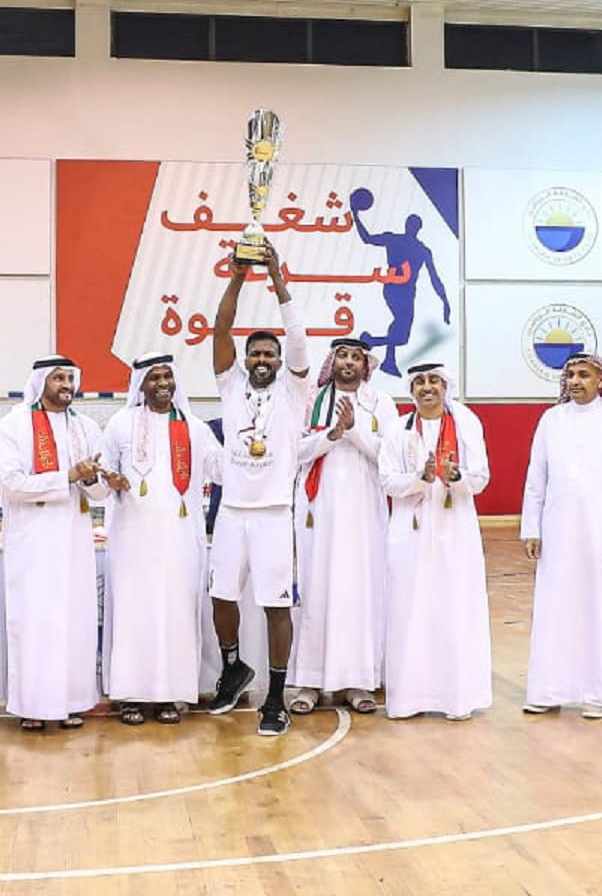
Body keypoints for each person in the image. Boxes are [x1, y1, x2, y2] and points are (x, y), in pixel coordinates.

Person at [206, 245, 312, 737]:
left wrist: (275, 274)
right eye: (257, 353)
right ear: (247, 359)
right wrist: (239, 277)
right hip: (231, 511)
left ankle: (276, 695)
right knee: (220, 597)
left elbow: (296, 337)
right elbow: (220, 330)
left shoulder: (294, 391)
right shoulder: (230, 385)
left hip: (274, 513)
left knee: (275, 606)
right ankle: (233, 667)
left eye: (270, 354)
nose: (264, 358)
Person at [98, 354, 220, 725]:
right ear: (140, 385)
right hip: (132, 538)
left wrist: (251, 447)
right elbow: (101, 477)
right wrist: (110, 481)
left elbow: (221, 469)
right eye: (154, 377)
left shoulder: (195, 428)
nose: (162, 383)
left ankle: (170, 694)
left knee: (176, 610)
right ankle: (130, 695)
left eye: (168, 375)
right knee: (135, 613)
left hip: (180, 539)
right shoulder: (120, 424)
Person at [520, 353, 602, 720]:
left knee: (600, 608)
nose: (575, 381)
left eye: (583, 375)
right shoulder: (551, 419)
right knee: (554, 607)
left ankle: (598, 693)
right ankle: (548, 690)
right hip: (557, 529)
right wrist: (531, 527)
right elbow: (536, 478)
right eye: (570, 375)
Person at [0, 355, 109, 731]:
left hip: (75, 539)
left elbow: (100, 493)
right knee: (37, 621)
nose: (66, 385)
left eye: (70, 378)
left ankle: (73, 700)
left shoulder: (87, 427)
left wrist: (94, 480)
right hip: (34, 541)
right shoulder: (15, 424)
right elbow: (12, 484)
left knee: (74, 620)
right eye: (58, 378)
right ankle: (34, 704)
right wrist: (67, 476)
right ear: (41, 381)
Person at [289, 337, 399, 716]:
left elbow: (389, 453)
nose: (349, 362)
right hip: (316, 511)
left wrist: (353, 430)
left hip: (364, 512)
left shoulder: (381, 404)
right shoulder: (310, 400)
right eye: (342, 356)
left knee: (359, 591)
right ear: (332, 361)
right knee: (317, 588)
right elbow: (295, 451)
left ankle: (358, 681)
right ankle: (310, 680)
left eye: (356, 357)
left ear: (365, 365)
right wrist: (332, 434)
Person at [377, 363, 492, 720]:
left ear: (446, 386)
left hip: (455, 527)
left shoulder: (467, 425)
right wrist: (421, 478)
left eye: (434, 381)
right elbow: (387, 481)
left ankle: (457, 698)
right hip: (409, 531)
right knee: (409, 609)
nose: (427, 388)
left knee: (455, 607)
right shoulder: (398, 429)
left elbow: (481, 478)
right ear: (412, 390)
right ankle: (409, 698)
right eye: (420, 382)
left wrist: (455, 477)